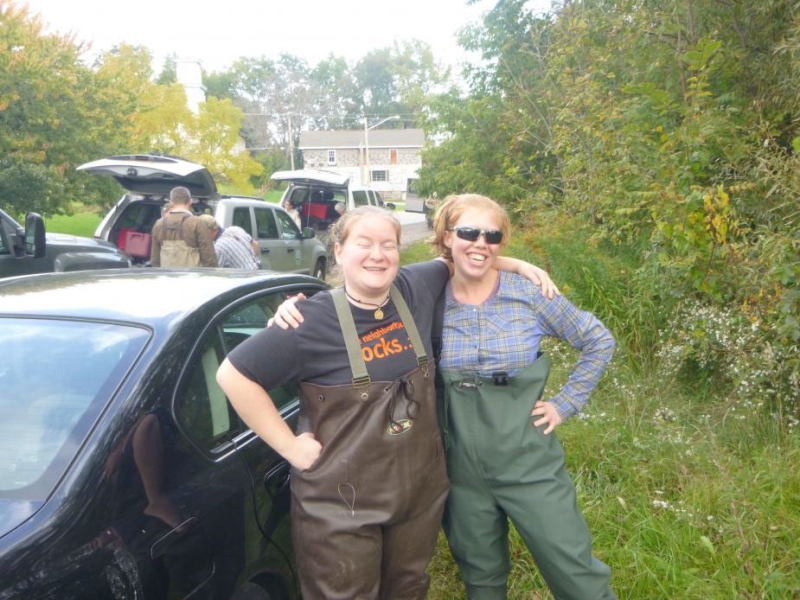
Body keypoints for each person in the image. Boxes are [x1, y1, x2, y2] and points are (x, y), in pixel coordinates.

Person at [216, 206, 557, 599]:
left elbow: (462, 257)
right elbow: (233, 375)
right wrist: (289, 446)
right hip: (341, 507)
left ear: (399, 253)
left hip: (418, 497)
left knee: (408, 589)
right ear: (339, 251)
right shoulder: (307, 321)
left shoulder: (417, 285)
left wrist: (513, 265)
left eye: (388, 245)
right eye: (364, 243)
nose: (377, 255)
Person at [431, 194, 617, 600]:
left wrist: (564, 404)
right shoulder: (426, 295)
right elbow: (368, 286)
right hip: (460, 471)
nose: (481, 242)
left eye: (492, 235)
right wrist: (298, 311)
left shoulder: (529, 294)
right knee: (481, 579)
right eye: (468, 232)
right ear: (447, 236)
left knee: (576, 574)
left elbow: (597, 340)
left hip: (529, 462)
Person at [150, 187, 217, 268]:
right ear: (190, 201)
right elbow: (209, 258)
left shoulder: (158, 224)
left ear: (171, 202)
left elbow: (155, 259)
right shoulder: (197, 223)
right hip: (193, 279)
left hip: (167, 278)